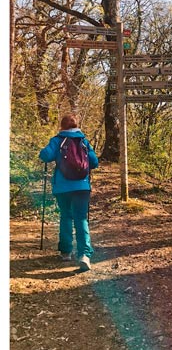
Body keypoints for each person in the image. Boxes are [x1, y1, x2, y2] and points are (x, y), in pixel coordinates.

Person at [39, 113, 99, 271]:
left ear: (62, 126)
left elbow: (45, 155)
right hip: (82, 187)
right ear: (77, 125)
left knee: (66, 216)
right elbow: (94, 162)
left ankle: (66, 252)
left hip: (63, 187)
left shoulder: (57, 140)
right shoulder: (84, 141)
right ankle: (85, 255)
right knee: (81, 219)